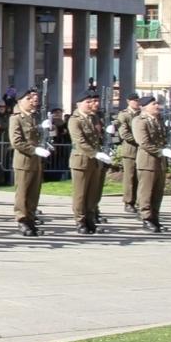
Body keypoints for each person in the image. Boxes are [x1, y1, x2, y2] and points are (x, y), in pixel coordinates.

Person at [8, 87, 47, 236]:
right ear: (20, 101)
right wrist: (34, 150)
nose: (32, 101)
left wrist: (47, 130)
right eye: (28, 99)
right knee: (22, 193)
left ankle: (31, 219)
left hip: (36, 161)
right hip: (23, 161)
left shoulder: (34, 117)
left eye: (34, 99)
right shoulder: (16, 118)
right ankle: (22, 220)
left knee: (33, 193)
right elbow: (16, 142)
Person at [67, 91, 107, 235]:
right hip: (81, 161)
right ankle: (80, 221)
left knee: (92, 194)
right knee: (80, 194)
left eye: (91, 102)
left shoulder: (94, 118)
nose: (91, 104)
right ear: (79, 104)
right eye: (87, 102)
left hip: (94, 162)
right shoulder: (74, 120)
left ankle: (90, 220)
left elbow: (98, 138)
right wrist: (96, 153)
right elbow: (80, 141)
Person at [131, 95, 168, 233]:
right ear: (145, 107)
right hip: (147, 161)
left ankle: (155, 217)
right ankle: (146, 218)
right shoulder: (139, 121)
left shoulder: (158, 120)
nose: (157, 106)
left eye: (157, 103)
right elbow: (144, 142)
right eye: (154, 104)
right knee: (146, 192)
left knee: (158, 192)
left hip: (159, 161)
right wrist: (161, 151)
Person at [113, 94, 141, 214]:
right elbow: (124, 133)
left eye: (137, 100)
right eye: (134, 100)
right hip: (130, 149)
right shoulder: (124, 115)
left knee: (140, 177)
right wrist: (141, 141)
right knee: (130, 177)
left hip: (142, 149)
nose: (136, 102)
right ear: (128, 101)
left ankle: (139, 201)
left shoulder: (141, 114)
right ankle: (128, 202)